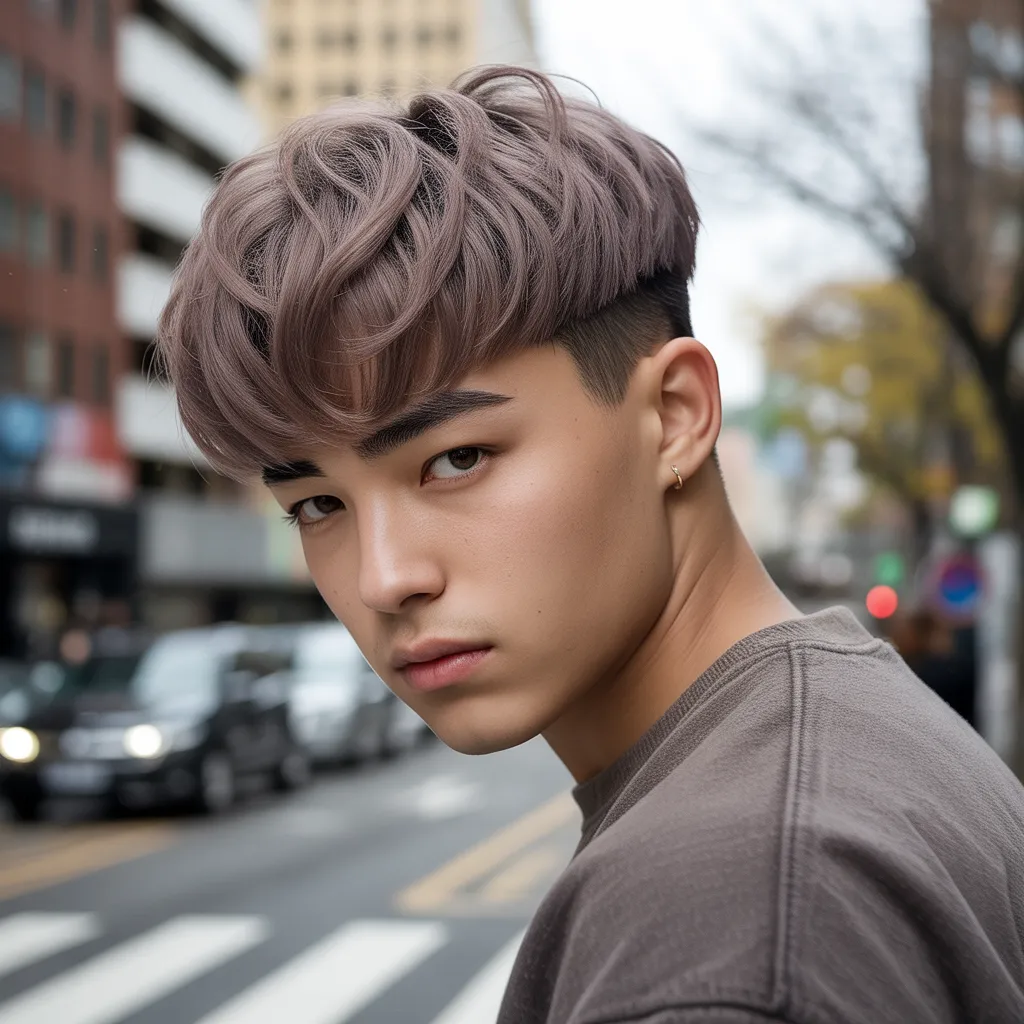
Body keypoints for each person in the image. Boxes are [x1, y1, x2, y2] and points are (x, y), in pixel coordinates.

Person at [157, 66, 1024, 1023]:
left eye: (456, 460)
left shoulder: (734, 925)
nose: (385, 577)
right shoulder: (843, 740)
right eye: (318, 506)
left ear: (676, 415)